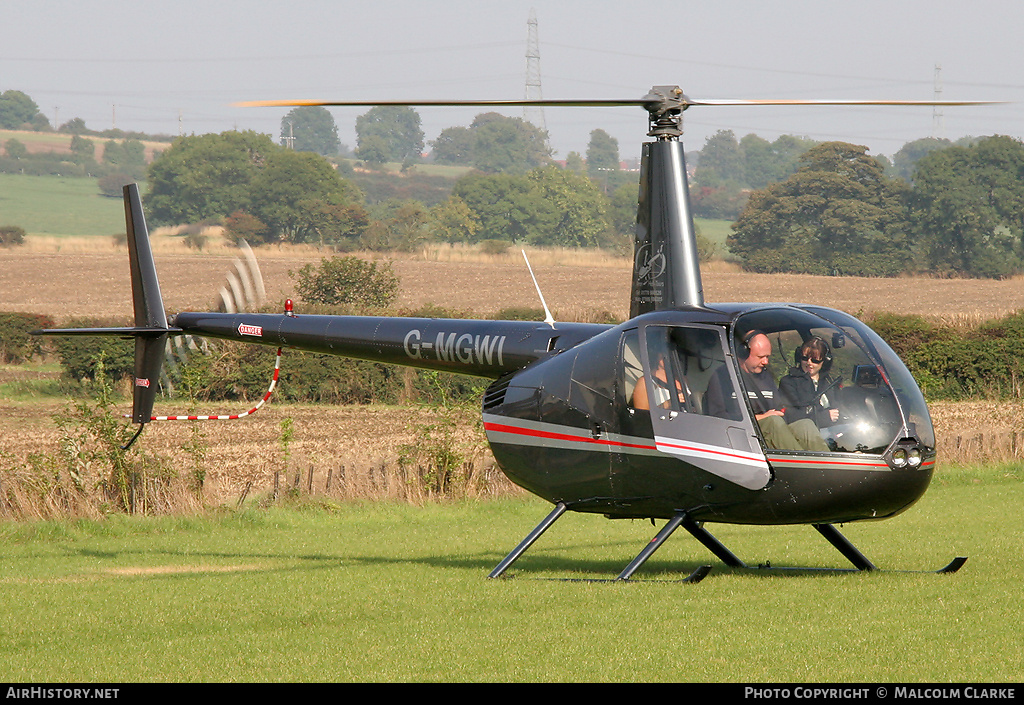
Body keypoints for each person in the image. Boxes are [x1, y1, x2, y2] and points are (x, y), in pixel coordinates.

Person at [706, 330, 829, 452]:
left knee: (805, 425)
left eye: (767, 357)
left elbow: (778, 409)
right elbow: (717, 418)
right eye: (760, 357)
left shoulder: (766, 377)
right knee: (773, 422)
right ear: (743, 353)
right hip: (742, 433)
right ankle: (804, 468)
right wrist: (761, 417)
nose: (766, 362)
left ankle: (829, 467)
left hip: (770, 430)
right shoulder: (723, 377)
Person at [780, 336, 841, 429]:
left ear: (825, 361)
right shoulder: (789, 383)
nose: (809, 363)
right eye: (805, 358)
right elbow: (791, 415)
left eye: (815, 360)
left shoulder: (829, 382)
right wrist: (825, 417)